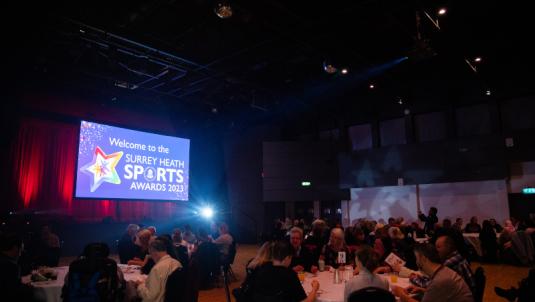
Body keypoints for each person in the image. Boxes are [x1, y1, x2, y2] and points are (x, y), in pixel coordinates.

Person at [392, 243, 473, 302]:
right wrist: (423, 291)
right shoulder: (443, 271)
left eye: (417, 258)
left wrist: (401, 294)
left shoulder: (439, 281)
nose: (416, 262)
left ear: (423, 258)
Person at [252, 240, 320, 302]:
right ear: (287, 258)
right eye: (291, 258)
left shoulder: (260, 268)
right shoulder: (289, 274)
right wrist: (314, 288)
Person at [0, 233, 32, 301]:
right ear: (15, 248)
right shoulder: (10, 266)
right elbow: (13, 293)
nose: (20, 254)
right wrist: (28, 287)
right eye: (21, 250)